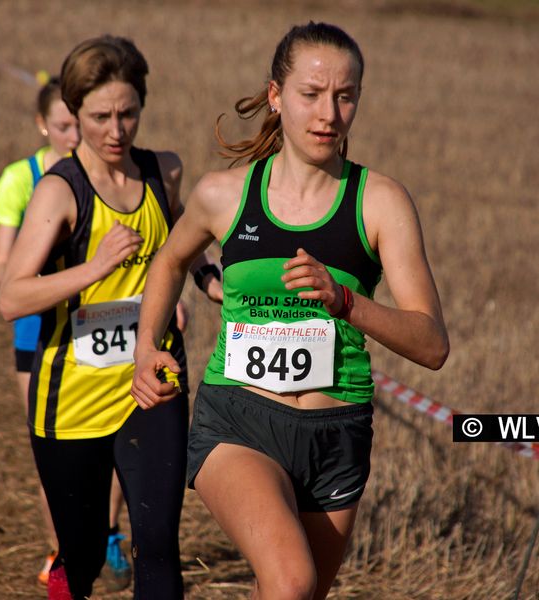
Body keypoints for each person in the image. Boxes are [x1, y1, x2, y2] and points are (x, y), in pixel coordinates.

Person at [131, 21, 449, 600]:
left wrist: (345, 301)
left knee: (292, 593)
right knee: (291, 580)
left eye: (345, 96)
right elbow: (169, 263)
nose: (329, 112)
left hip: (338, 434)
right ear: (276, 97)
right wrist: (146, 345)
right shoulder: (222, 195)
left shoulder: (379, 202)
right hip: (238, 420)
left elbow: (432, 344)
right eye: (311, 94)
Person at [0, 35, 221, 600]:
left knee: (159, 547)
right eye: (100, 117)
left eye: (128, 113)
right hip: (71, 398)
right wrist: (93, 268)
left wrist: (207, 281)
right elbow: (12, 298)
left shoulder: (162, 172)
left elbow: (180, 243)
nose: (116, 131)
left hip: (152, 381)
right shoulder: (59, 192)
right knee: (85, 553)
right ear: (73, 113)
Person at [0, 76, 134, 592]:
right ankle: (64, 547)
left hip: (111, 327)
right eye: (65, 125)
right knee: (54, 451)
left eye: (80, 123)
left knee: (117, 443)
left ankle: (109, 532)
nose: (74, 134)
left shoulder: (118, 177)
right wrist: (49, 271)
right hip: (40, 333)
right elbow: (2, 271)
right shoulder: (22, 180)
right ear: (43, 124)